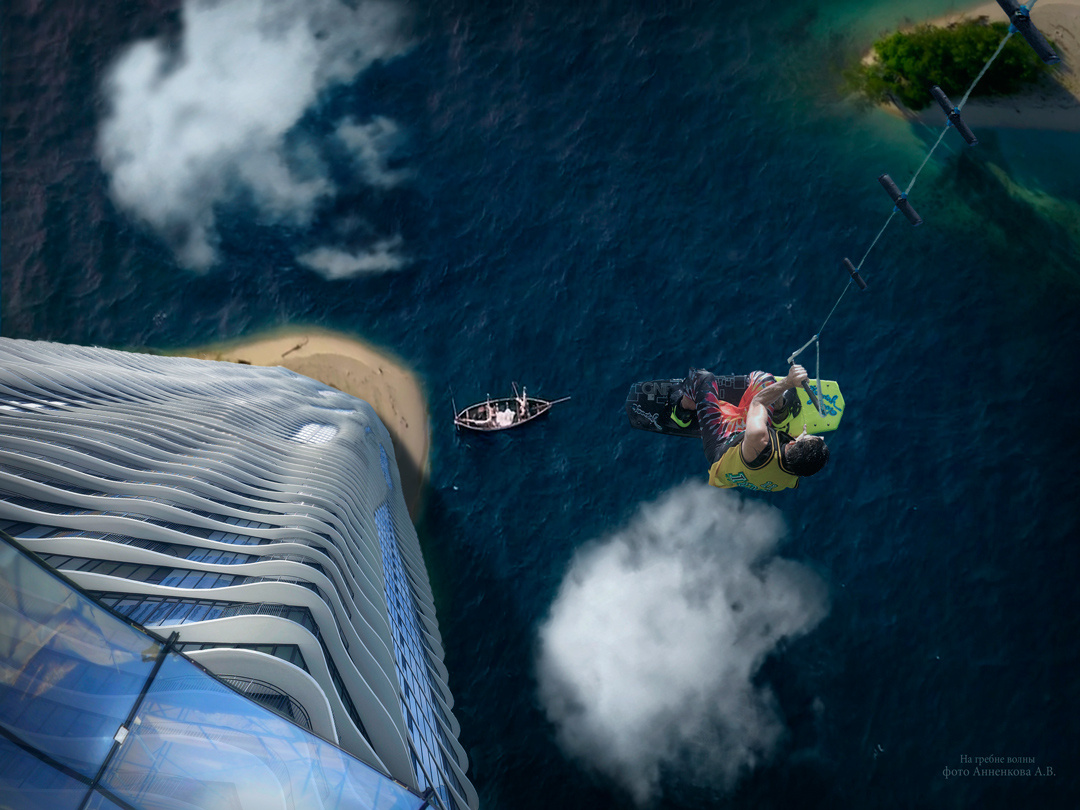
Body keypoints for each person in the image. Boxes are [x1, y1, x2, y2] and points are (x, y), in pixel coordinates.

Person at [669, 364, 829, 492]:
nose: (821, 437)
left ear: (793, 443)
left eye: (808, 435)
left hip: (722, 448)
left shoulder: (759, 438)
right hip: (745, 460)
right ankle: (780, 412)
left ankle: (682, 412)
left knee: (703, 378)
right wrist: (805, 441)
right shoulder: (790, 479)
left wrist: (788, 382)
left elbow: (758, 402)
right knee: (767, 382)